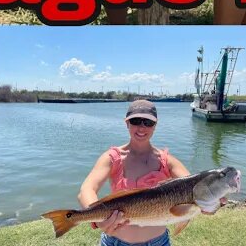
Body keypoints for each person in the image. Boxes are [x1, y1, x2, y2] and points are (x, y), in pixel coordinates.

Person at [77, 101, 192, 245]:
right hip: (115, 242)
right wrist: (98, 219)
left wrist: (215, 198)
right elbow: (86, 190)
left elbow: (194, 186)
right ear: (127, 123)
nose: (142, 127)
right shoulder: (112, 158)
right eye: (136, 121)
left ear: (155, 126)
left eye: (148, 122)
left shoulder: (167, 161)